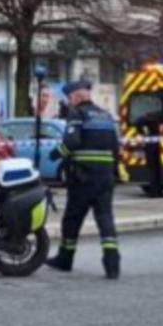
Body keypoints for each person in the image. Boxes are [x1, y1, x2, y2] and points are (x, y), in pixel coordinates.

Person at [51, 80, 121, 279]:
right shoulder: (106, 116)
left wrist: (56, 154)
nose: (69, 103)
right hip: (105, 176)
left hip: (83, 176)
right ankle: (112, 262)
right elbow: (116, 148)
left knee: (73, 218)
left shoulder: (77, 114)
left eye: (69, 99)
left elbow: (72, 142)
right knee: (105, 218)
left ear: (75, 97)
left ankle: (65, 258)